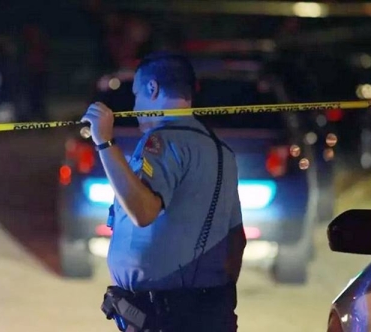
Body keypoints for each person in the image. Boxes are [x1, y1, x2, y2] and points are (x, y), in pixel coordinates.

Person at [81, 52, 247, 332]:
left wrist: (104, 143)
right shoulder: (222, 153)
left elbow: (143, 211)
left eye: (136, 96)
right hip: (209, 311)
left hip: (163, 317)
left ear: (152, 89)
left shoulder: (163, 140)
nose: (135, 107)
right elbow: (236, 240)